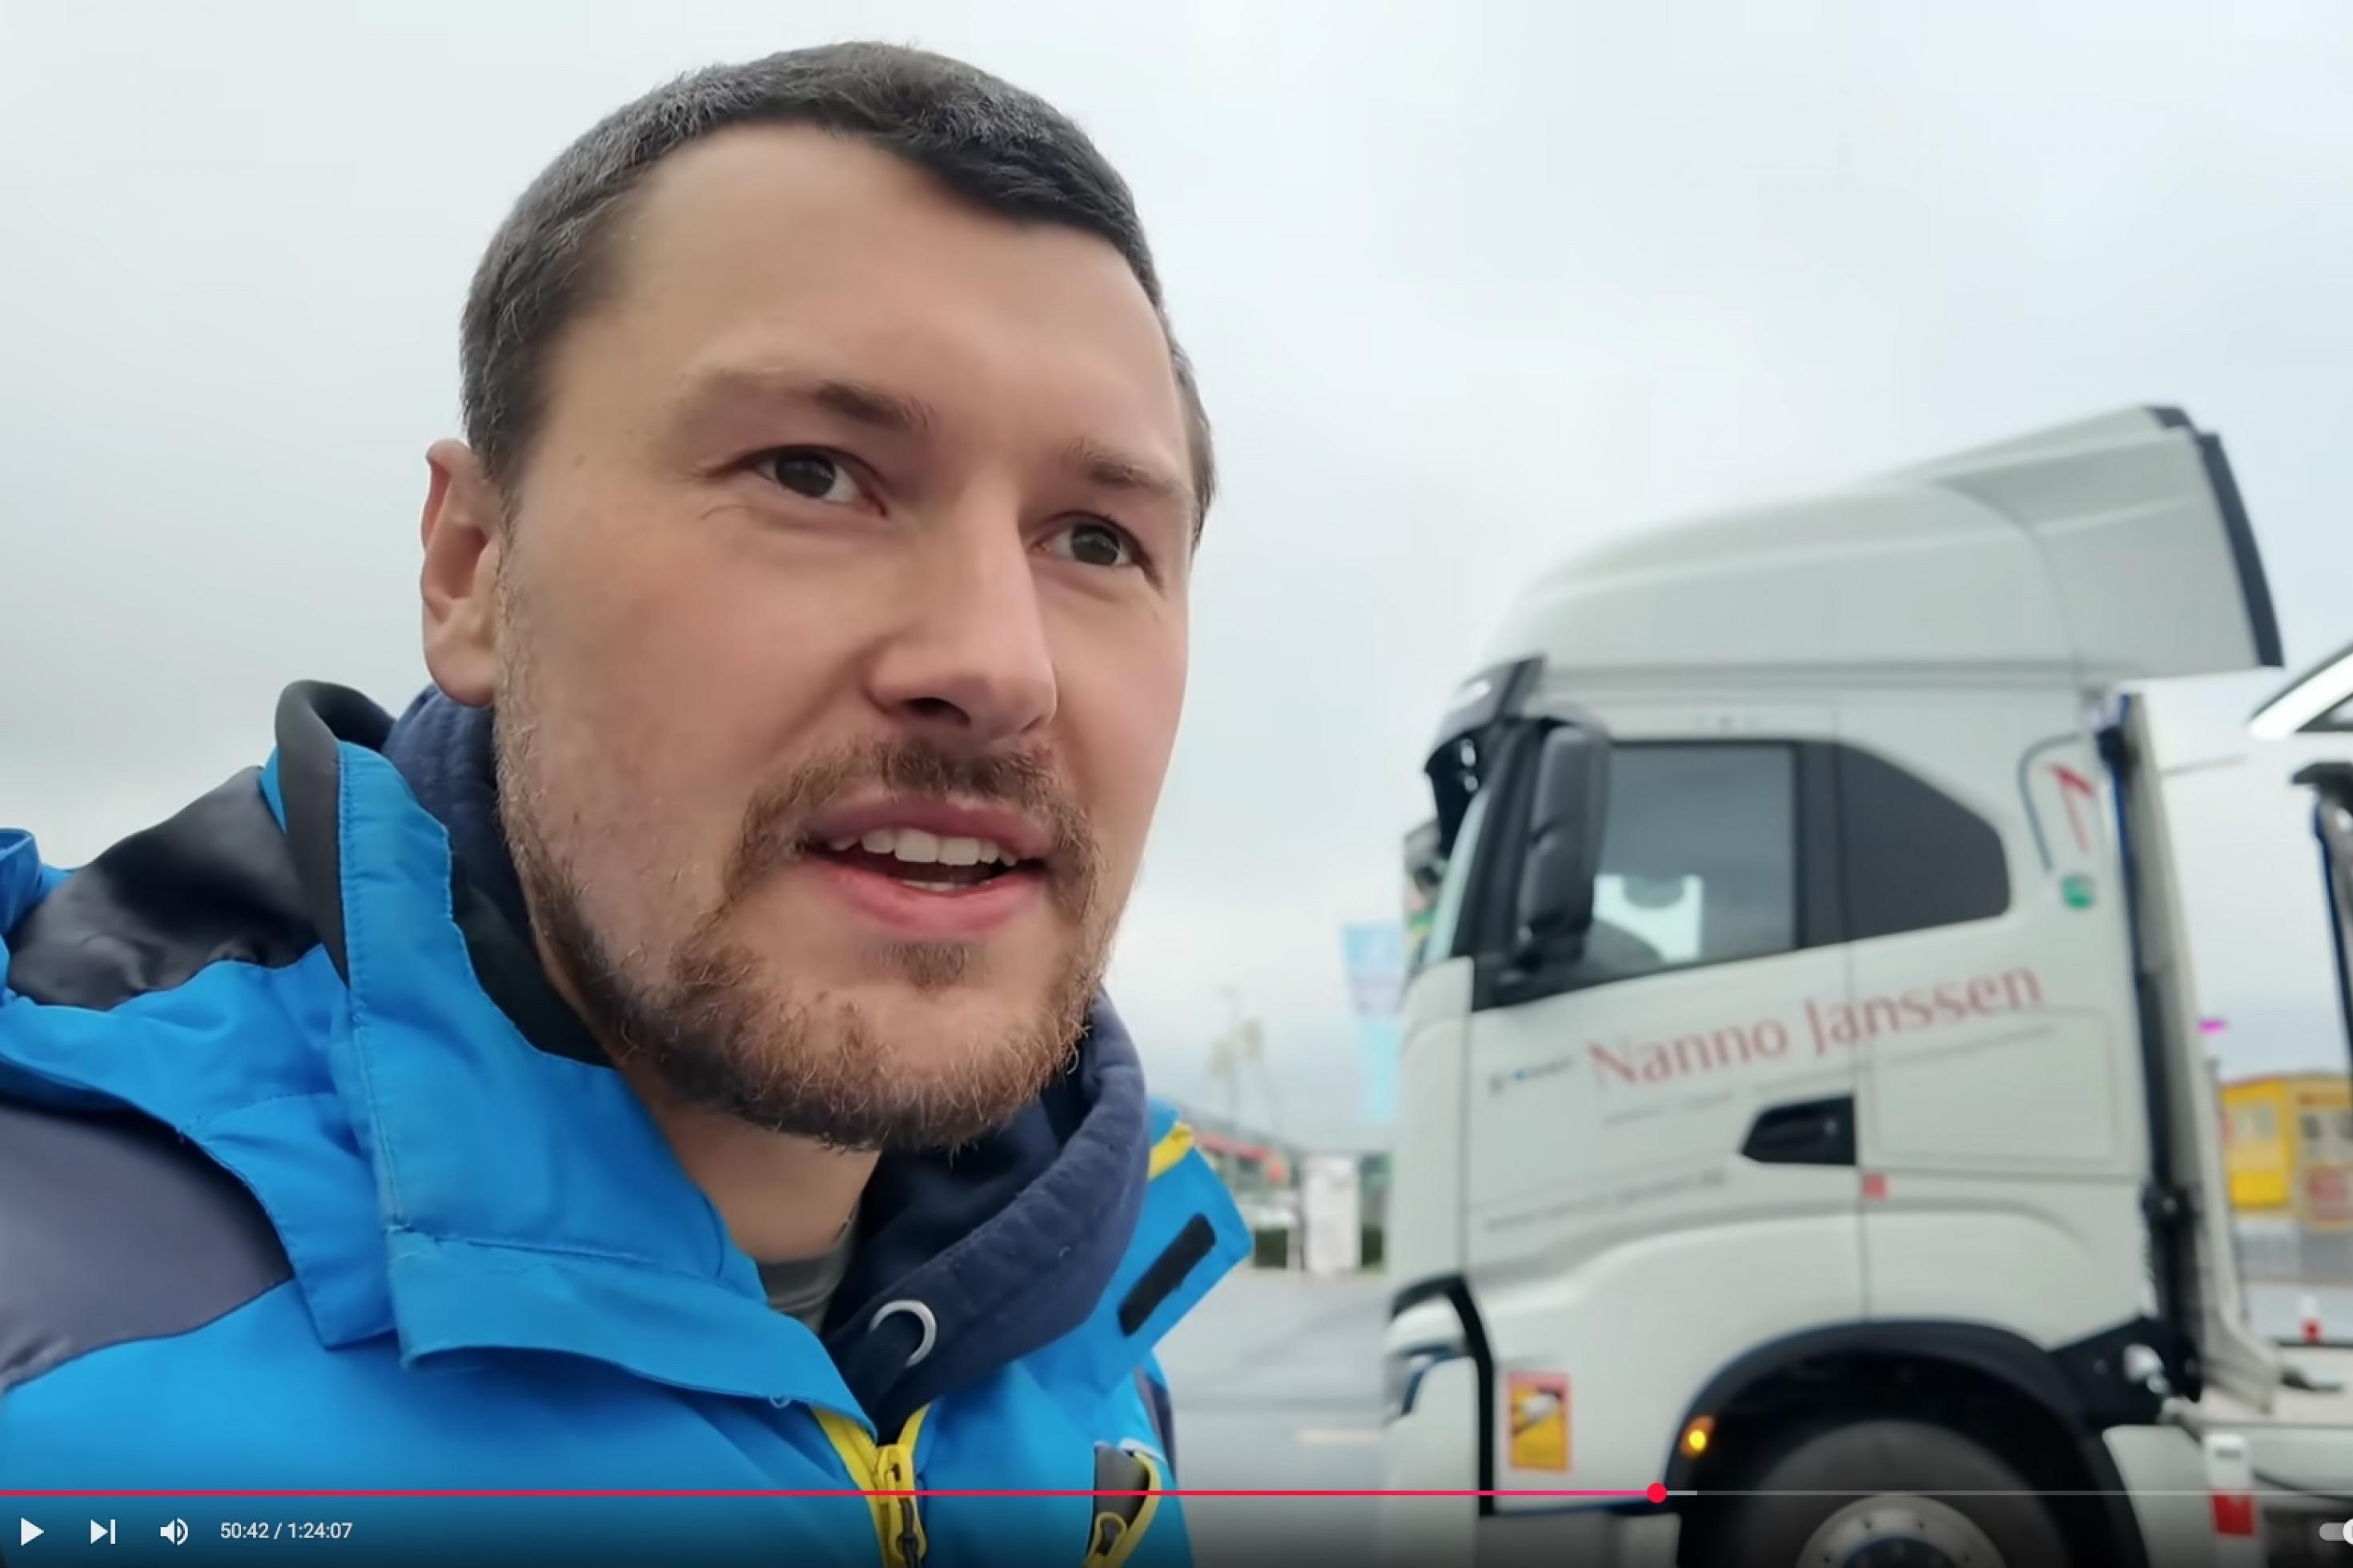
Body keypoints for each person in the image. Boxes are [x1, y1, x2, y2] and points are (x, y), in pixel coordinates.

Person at [0, 42, 1245, 1566]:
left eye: (1100, 541)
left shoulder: (1074, 1337)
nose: (998, 666)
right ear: (472, 571)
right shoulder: (55, 1356)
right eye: (812, 471)